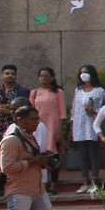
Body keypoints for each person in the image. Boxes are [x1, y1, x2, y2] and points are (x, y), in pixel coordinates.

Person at [0, 64, 30, 196]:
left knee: (14, 157)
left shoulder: (22, 91)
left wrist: (10, 112)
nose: (10, 75)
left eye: (12, 73)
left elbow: (26, 108)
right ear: (1, 75)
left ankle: (15, 185)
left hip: (16, 129)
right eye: (7, 73)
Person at [70, 65, 105, 194]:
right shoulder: (78, 90)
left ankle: (95, 181)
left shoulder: (99, 91)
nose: (83, 74)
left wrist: (94, 111)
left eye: (86, 72)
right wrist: (71, 126)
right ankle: (85, 181)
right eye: (81, 72)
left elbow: (103, 108)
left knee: (93, 153)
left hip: (92, 124)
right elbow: (74, 109)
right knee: (83, 154)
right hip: (79, 124)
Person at [31, 67, 66, 195]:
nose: (44, 78)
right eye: (41, 76)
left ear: (52, 77)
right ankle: (42, 183)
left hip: (53, 126)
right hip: (38, 126)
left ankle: (53, 184)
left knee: (53, 154)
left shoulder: (58, 92)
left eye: (46, 75)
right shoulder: (34, 93)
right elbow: (30, 111)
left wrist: (60, 131)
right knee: (40, 154)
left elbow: (62, 113)